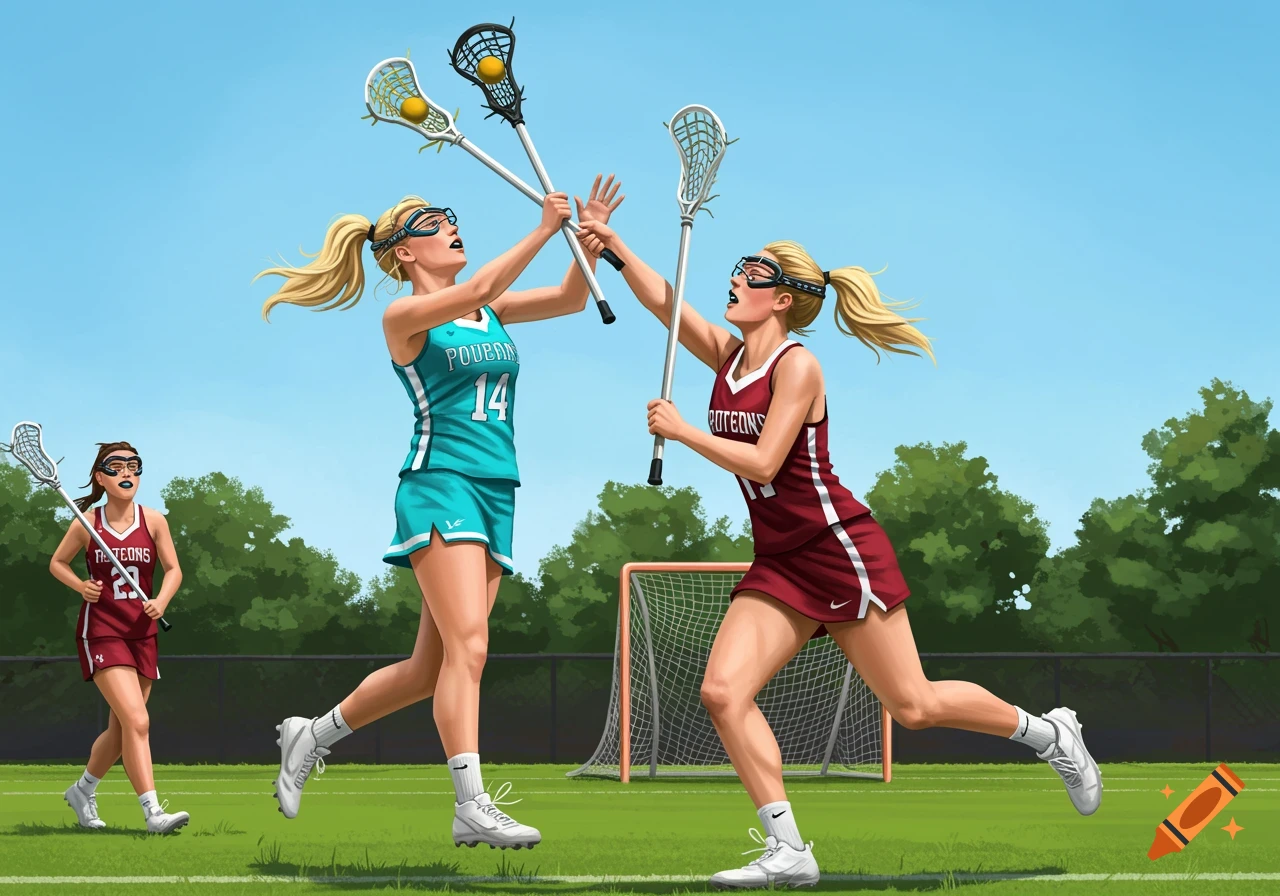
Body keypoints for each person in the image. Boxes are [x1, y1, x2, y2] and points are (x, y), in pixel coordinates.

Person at [576, 219, 1101, 889]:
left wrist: (682, 433)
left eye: (752, 274)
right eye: (738, 269)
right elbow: (663, 301)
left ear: (784, 298)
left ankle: (1049, 734)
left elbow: (766, 461)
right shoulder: (726, 355)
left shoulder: (798, 366)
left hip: (837, 550)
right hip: (779, 561)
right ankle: (789, 848)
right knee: (723, 691)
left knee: (914, 707)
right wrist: (613, 247)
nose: (735, 279)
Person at [256, 176, 624, 849]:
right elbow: (481, 287)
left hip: (496, 489)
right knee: (472, 648)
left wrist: (587, 240)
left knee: (431, 669)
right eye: (433, 221)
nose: (451, 225)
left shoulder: (491, 311)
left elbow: (572, 298)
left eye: (449, 217)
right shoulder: (405, 318)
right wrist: (543, 228)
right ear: (404, 254)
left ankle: (311, 733)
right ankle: (470, 805)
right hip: (440, 485)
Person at [49, 441, 190, 834]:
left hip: (141, 633)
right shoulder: (87, 522)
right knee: (138, 721)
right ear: (100, 477)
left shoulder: (155, 521)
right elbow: (57, 563)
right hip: (103, 631)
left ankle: (82, 790)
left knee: (121, 729)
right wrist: (81, 585)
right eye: (116, 467)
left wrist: (161, 600)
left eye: (134, 466)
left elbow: (173, 569)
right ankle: (153, 813)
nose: (127, 473)